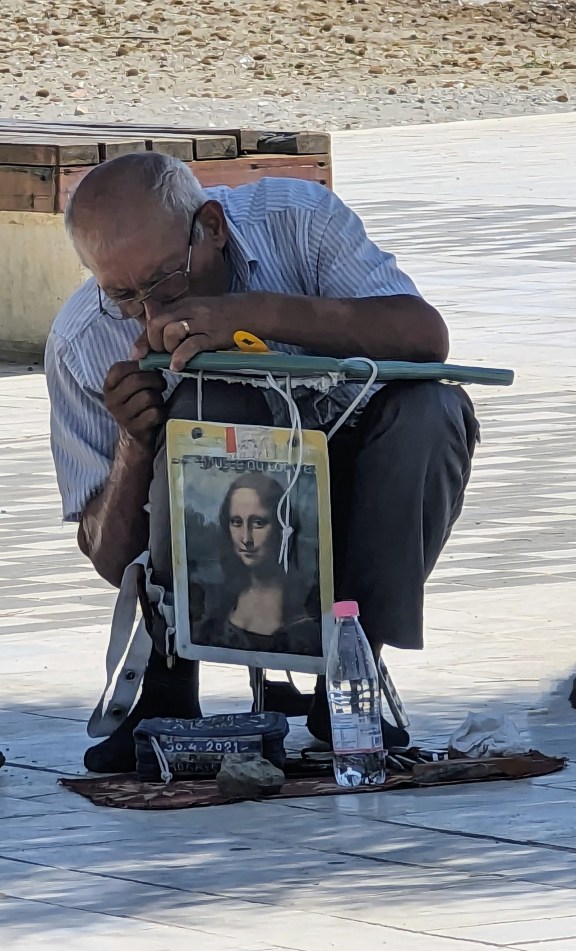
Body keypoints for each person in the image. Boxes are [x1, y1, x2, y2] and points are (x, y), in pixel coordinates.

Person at [45, 152, 479, 773]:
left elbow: (425, 338)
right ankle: (167, 686)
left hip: (354, 489)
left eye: (167, 281)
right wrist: (134, 444)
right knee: (209, 404)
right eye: (123, 295)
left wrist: (257, 313)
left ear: (212, 227)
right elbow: (111, 559)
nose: (152, 312)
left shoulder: (297, 220)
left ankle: (350, 674)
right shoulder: (82, 339)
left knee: (434, 410)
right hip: (225, 520)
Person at [196, 471, 321, 656]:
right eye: (236, 522)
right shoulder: (219, 604)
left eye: (258, 523)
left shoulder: (304, 614)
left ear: (281, 526)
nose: (246, 539)